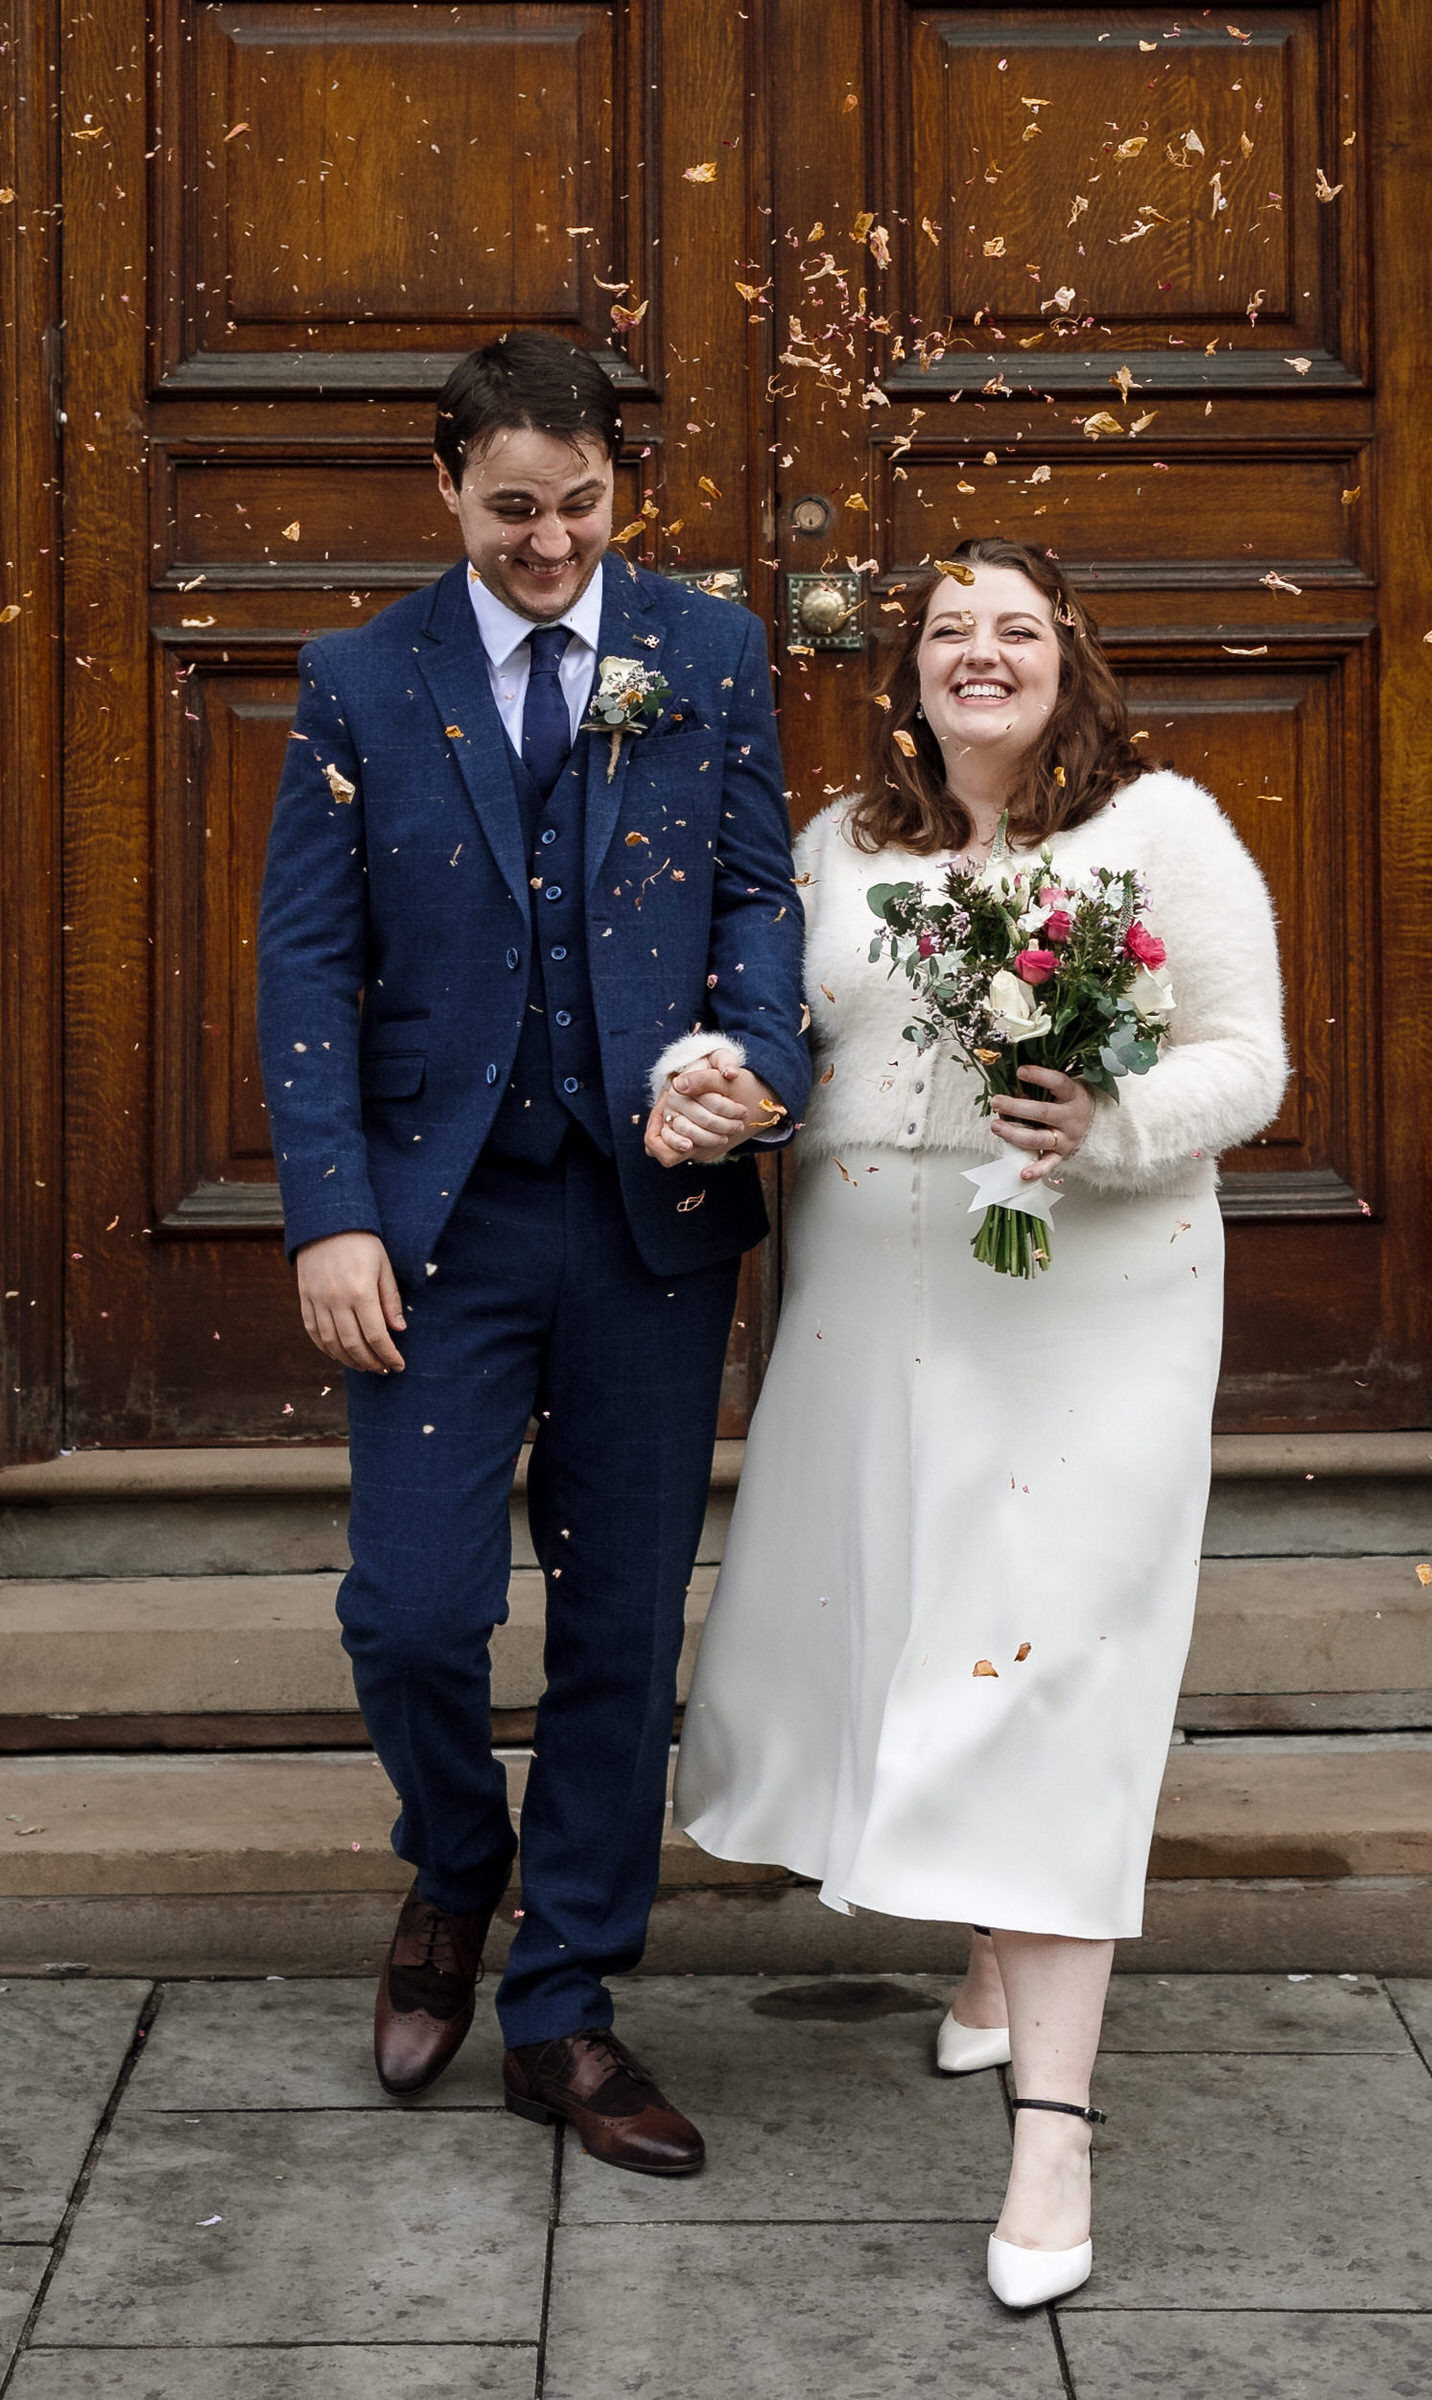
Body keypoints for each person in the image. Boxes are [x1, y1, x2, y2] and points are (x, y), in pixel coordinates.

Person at [653, 538, 1286, 2299]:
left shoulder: (1159, 829)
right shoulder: (843, 850)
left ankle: (1053, 2144)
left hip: (1094, 1308)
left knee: (1053, 1671)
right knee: (909, 1643)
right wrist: (705, 1081)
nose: (980, 656)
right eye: (950, 632)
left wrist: (1115, 1112)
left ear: (1069, 658)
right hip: (873, 1305)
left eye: (1016, 628)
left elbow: (1250, 1057)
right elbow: (766, 1035)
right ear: (911, 671)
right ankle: (1001, 1957)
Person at [256, 330, 808, 2175]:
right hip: (438, 1217)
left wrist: (755, 1066)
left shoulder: (709, 653)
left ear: (615, 486)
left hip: (650, 1220)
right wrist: (331, 1209)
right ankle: (451, 1867)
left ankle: (561, 2005)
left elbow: (753, 893)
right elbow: (308, 965)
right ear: (446, 488)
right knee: (413, 1610)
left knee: (621, 1623)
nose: (552, 542)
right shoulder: (356, 677)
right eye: (513, 510)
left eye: (581, 505)